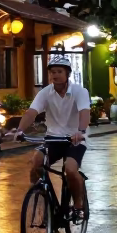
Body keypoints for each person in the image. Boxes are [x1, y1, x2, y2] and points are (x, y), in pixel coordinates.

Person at [15, 53, 91, 220]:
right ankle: (42, 195)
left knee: (70, 170)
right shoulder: (45, 93)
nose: (55, 75)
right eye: (52, 72)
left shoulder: (79, 91)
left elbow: (84, 112)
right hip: (53, 138)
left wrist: (81, 131)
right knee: (36, 162)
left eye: (59, 71)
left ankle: (78, 205)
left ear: (67, 74)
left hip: (75, 139)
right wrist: (19, 130)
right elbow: (31, 112)